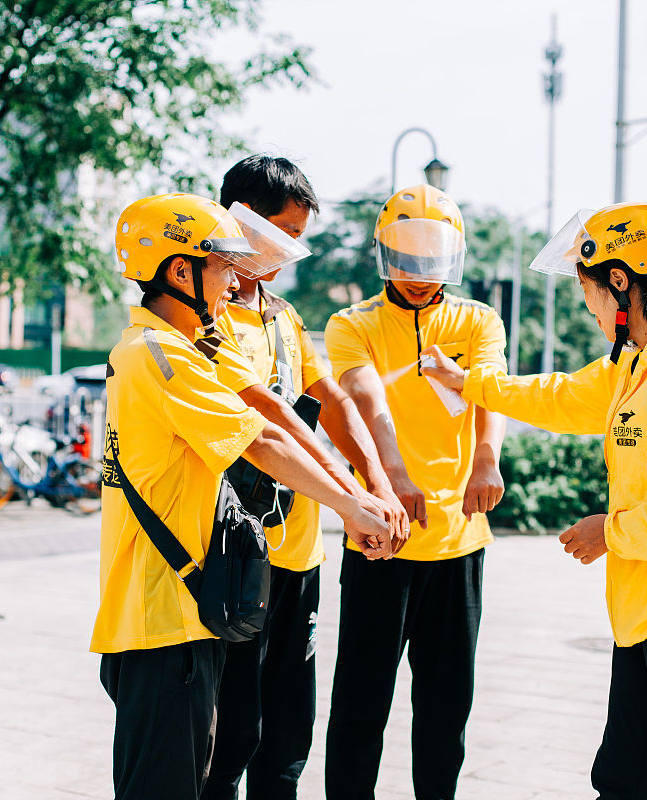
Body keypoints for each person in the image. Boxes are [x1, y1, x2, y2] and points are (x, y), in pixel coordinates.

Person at [421, 202, 647, 800]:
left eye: (591, 292)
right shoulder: (636, 364)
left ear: (621, 283)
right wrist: (468, 382)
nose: (589, 307)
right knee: (622, 778)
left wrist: (613, 530)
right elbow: (561, 396)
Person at [90, 192, 392, 800]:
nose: (235, 280)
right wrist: (353, 507)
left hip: (178, 613)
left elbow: (275, 414)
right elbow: (260, 444)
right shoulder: (158, 356)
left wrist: (360, 489)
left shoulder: (188, 347)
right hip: (162, 617)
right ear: (181, 271)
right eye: (224, 265)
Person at [201, 156, 408, 800]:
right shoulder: (201, 322)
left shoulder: (281, 316)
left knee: (289, 733)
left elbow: (332, 402)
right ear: (243, 222)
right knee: (231, 733)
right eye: (282, 234)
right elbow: (270, 425)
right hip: (232, 557)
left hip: (295, 555)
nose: (289, 253)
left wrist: (373, 477)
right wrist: (353, 502)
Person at [323, 184, 508, 800]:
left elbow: (489, 394)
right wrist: (395, 476)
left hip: (458, 544)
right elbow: (366, 399)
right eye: (408, 259)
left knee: (445, 710)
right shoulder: (352, 323)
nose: (421, 276)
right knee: (359, 704)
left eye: (433, 261)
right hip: (381, 538)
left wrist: (487, 458)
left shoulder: (479, 320)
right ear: (384, 254)